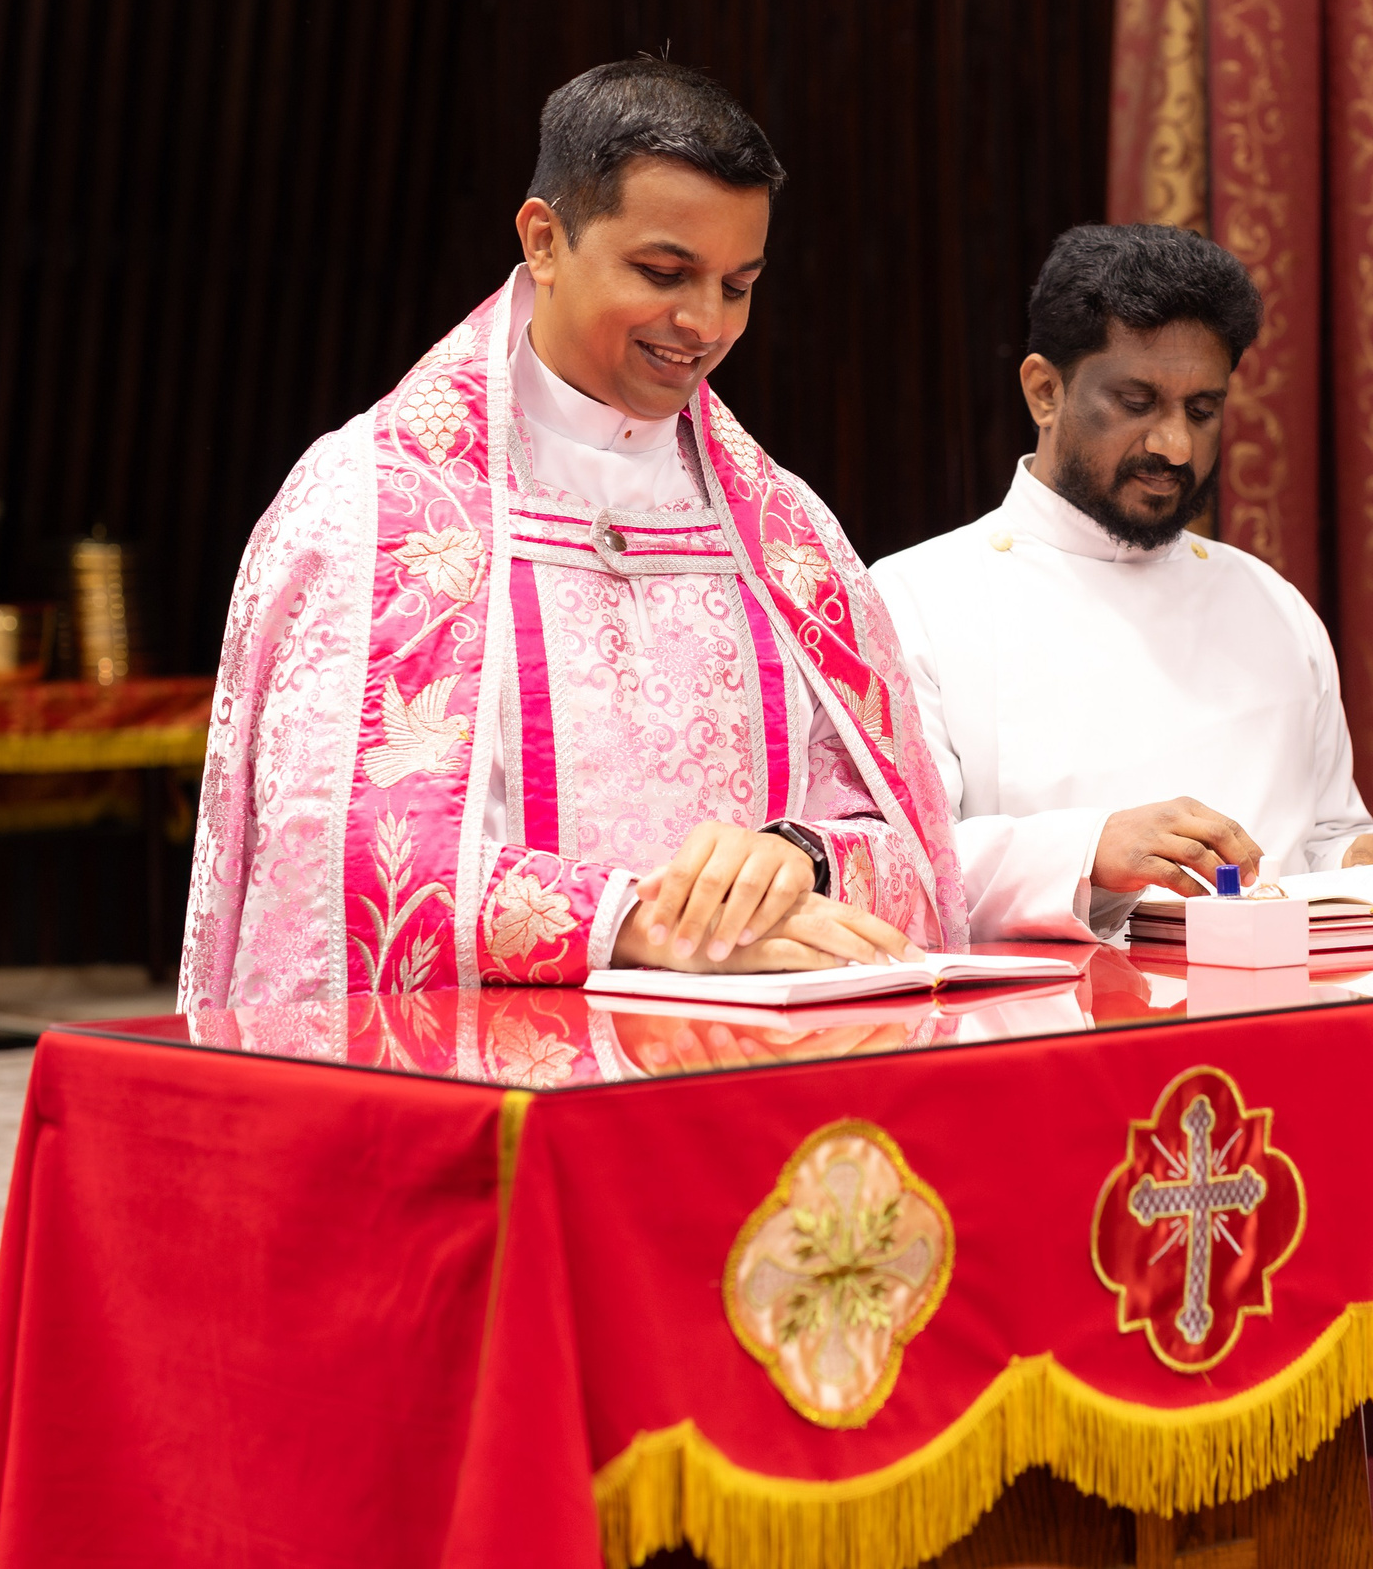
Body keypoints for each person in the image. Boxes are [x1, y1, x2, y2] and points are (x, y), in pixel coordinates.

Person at [181, 58, 964, 1011]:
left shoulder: (783, 536)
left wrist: (790, 860)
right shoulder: (373, 515)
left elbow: (910, 849)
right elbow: (339, 872)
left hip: (743, 1091)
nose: (704, 324)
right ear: (544, 240)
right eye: (664, 273)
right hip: (496, 1097)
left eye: (738, 285)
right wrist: (642, 921)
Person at [870, 224, 1373, 942]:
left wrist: (1363, 868)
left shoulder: (1273, 606)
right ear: (1045, 391)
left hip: (1274, 1026)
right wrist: (1089, 851)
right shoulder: (918, 600)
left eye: (1203, 410)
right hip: (1047, 1037)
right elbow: (896, 866)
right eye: (1137, 403)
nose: (1176, 446)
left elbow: (1319, 837)